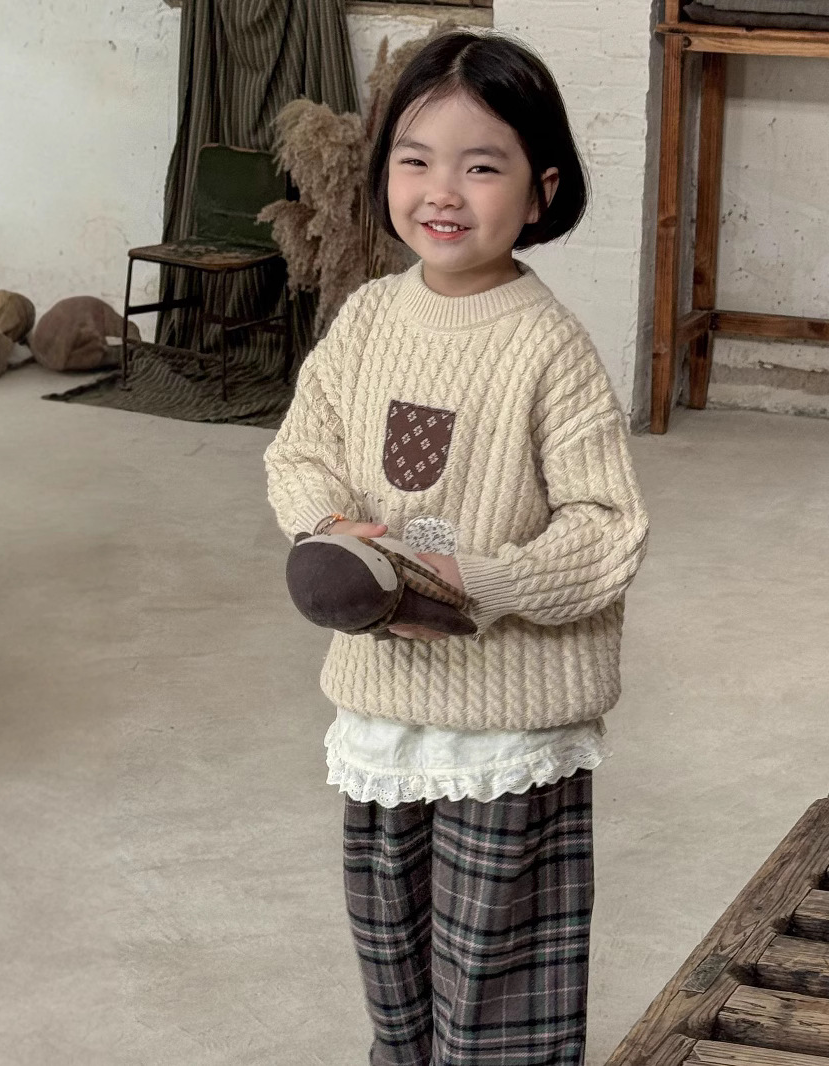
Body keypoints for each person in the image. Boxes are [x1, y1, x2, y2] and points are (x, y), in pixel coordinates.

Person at [264, 29, 649, 1066]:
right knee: (391, 953)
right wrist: (329, 527)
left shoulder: (547, 345)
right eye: (415, 159)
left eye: (481, 166)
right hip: (383, 703)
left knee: (496, 973)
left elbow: (608, 528)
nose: (442, 191)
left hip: (506, 722)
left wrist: (481, 579)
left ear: (539, 192)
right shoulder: (366, 318)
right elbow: (301, 450)